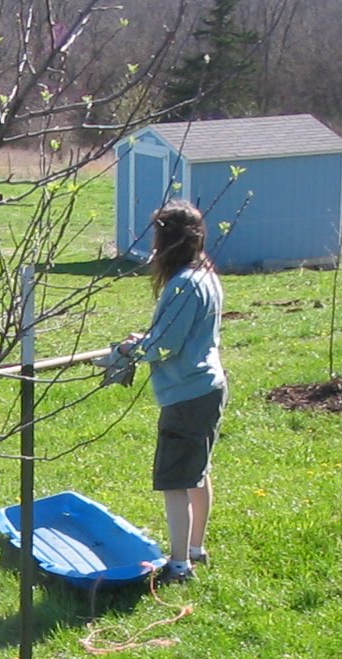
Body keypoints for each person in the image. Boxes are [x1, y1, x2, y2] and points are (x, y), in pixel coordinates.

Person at [114, 200, 226, 583]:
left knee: (176, 480)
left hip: (187, 395)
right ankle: (195, 547)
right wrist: (146, 338)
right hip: (208, 386)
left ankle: (179, 566)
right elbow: (178, 335)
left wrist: (133, 348)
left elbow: (166, 347)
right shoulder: (206, 273)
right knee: (197, 471)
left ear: (167, 240)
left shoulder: (182, 285)